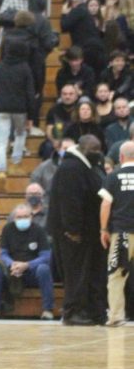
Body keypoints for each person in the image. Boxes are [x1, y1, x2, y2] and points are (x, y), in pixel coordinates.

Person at [48, 135, 108, 326]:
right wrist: (72, 229)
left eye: (98, 150)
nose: (97, 154)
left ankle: (94, 311)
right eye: (93, 151)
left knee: (92, 272)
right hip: (73, 233)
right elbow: (70, 202)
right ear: (82, 149)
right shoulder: (71, 168)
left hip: (90, 231)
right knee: (76, 273)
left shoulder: (89, 167)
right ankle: (73, 312)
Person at [0, 204, 54, 320]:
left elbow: (46, 256)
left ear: (31, 217)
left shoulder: (39, 230)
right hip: (12, 269)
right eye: (19, 217)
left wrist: (27, 265)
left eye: (25, 216)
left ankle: (48, 310)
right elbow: (3, 253)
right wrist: (11, 264)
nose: (22, 219)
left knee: (44, 269)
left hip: (32, 270)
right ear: (14, 218)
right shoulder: (7, 229)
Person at [0, 39, 37, 190]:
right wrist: (31, 116)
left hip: (1, 107)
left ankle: (1, 170)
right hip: (20, 109)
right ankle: (15, 163)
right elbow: (30, 93)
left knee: (1, 142)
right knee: (20, 134)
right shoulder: (25, 68)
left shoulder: (0, 66)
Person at [99, 140, 134, 326]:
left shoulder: (113, 176)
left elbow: (106, 204)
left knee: (116, 274)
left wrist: (104, 229)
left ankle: (115, 316)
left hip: (121, 233)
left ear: (120, 157)